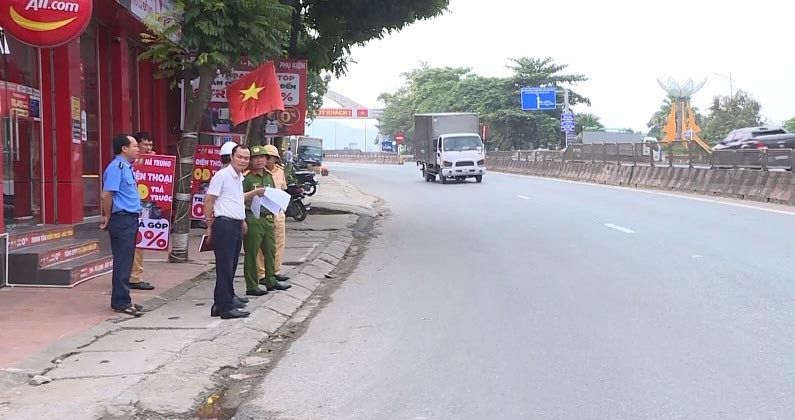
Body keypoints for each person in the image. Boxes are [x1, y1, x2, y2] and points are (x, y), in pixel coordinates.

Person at [204, 144, 264, 319]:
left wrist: (243, 220)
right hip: (224, 224)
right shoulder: (222, 176)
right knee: (224, 266)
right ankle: (225, 307)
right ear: (232, 157)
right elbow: (209, 200)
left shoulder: (239, 177)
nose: (243, 161)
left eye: (246, 158)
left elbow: (235, 200)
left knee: (231, 265)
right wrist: (209, 226)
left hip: (236, 223)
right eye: (240, 157)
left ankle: (223, 300)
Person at [100, 134, 144, 317]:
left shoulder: (127, 167)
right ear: (124, 149)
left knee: (127, 260)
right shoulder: (117, 167)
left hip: (130, 218)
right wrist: (108, 216)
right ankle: (121, 302)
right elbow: (106, 195)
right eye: (134, 146)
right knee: (123, 261)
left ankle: (122, 298)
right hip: (122, 219)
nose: (138, 149)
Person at [242, 145, 291, 296]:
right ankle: (252, 285)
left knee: (270, 250)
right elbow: (239, 198)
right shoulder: (247, 177)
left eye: (262, 158)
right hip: (253, 218)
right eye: (256, 158)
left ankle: (271, 280)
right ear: (251, 161)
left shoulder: (269, 176)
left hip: (269, 217)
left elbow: (275, 196)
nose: (260, 161)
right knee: (252, 253)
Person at [256, 144, 289, 283]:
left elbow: (283, 190)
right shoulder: (257, 173)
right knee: (261, 245)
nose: (268, 160)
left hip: (278, 211)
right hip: (263, 211)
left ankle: (275, 271)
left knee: (279, 243)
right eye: (266, 157)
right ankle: (262, 274)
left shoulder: (280, 172)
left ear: (276, 159)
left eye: (271, 157)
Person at [129, 131, 156, 290]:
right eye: (145, 144)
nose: (148, 147)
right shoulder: (130, 163)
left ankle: (135, 274)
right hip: (133, 208)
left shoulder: (152, 160)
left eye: (150, 145)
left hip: (146, 207)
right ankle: (134, 277)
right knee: (137, 243)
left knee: (141, 243)